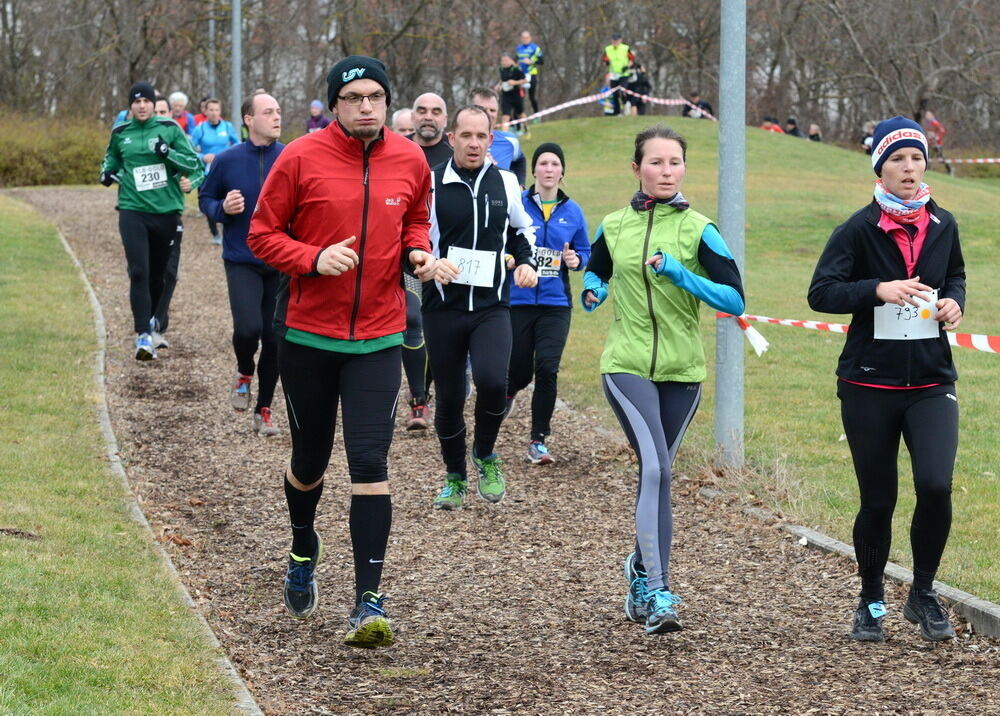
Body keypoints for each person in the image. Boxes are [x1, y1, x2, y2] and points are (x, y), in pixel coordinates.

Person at [247, 56, 439, 647]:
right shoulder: (300, 157)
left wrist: (419, 256)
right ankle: (304, 544)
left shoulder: (410, 160)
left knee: (370, 463)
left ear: (387, 103)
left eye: (375, 97)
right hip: (307, 335)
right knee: (310, 460)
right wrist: (312, 258)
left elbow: (415, 221)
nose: (364, 106)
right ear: (333, 104)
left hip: (379, 336)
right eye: (352, 97)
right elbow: (261, 234)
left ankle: (368, 601)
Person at [581, 124, 745, 634]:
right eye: (656, 162)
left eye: (675, 162)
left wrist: (680, 274)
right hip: (626, 365)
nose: (666, 171)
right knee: (654, 469)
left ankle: (638, 568)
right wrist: (592, 290)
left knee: (661, 476)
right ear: (637, 169)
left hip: (683, 372)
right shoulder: (613, 225)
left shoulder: (700, 229)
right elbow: (596, 268)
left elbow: (735, 300)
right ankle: (657, 590)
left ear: (684, 169)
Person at [807, 116, 965, 644]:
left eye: (916, 158)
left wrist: (953, 303)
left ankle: (922, 593)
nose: (909, 167)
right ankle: (871, 597)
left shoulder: (944, 224)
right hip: (868, 383)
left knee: (937, 485)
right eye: (897, 159)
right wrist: (878, 289)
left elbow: (957, 276)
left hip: (930, 380)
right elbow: (822, 293)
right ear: (880, 167)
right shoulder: (856, 229)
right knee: (879, 499)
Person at [423, 104, 537, 511]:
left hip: (491, 307)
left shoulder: (505, 183)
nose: (473, 143)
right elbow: (416, 241)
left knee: (493, 383)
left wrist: (525, 262)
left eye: (481, 136)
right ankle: (454, 476)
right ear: (451, 138)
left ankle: (485, 454)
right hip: (443, 308)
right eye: (465, 135)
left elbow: (521, 229)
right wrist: (427, 263)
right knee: (451, 398)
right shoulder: (432, 183)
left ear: (492, 140)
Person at [199, 92, 285, 436]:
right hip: (242, 259)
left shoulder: (291, 156)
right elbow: (206, 197)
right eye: (268, 112)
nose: (277, 117)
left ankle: (264, 407)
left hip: (281, 261)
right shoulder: (227, 160)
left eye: (278, 111)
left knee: (276, 338)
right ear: (249, 119)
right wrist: (223, 210)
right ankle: (244, 371)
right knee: (249, 329)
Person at [99, 81, 204, 360]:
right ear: (130, 106)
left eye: (146, 101)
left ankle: (156, 324)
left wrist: (166, 153)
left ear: (152, 103)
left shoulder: (170, 129)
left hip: (166, 211)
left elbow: (193, 163)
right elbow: (111, 157)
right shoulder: (121, 131)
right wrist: (107, 173)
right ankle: (143, 333)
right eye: (136, 102)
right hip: (132, 210)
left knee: (158, 276)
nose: (142, 106)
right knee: (138, 272)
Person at [505, 143, 589, 465]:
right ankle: (510, 390)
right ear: (535, 170)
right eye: (543, 163)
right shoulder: (519, 205)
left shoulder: (573, 211)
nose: (549, 169)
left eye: (555, 163)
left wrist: (575, 258)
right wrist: (512, 259)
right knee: (521, 369)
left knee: (548, 368)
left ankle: (538, 440)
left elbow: (585, 252)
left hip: (556, 303)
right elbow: (503, 240)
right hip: (519, 300)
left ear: (562, 172)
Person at [401, 92, 453, 429]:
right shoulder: (398, 150)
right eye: (421, 110)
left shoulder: (455, 156)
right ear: (412, 116)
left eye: (436, 111)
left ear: (445, 120)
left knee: (437, 329)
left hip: (446, 255)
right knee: (411, 319)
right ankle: (418, 400)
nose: (428, 117)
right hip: (406, 252)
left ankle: (429, 390)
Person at [190, 99, 240, 245]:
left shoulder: (227, 126)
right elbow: (189, 150)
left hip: (225, 170)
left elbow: (237, 143)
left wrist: (227, 153)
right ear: (206, 112)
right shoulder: (200, 129)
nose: (214, 113)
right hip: (207, 173)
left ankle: (227, 232)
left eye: (216, 110)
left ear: (220, 111)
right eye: (211, 110)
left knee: (228, 200)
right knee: (208, 202)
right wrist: (202, 157)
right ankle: (215, 234)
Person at [469, 87, 526, 185]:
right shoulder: (455, 143)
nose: (488, 114)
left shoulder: (510, 141)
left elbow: (520, 160)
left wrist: (520, 185)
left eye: (492, 110)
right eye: (481, 109)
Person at [602, 33, 635, 116]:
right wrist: (606, 62)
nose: (615, 42)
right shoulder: (608, 49)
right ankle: (617, 112)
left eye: (617, 40)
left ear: (620, 40)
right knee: (615, 94)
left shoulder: (625, 48)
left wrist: (627, 67)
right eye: (614, 40)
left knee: (622, 91)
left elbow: (632, 59)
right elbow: (604, 60)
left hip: (624, 74)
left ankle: (626, 104)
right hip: (613, 74)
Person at [496, 53, 528, 133]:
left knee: (520, 114)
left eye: (506, 60)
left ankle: (526, 128)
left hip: (516, 95)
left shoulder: (516, 69)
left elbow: (525, 80)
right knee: (505, 116)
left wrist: (515, 82)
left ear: (511, 61)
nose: (504, 62)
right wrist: (498, 85)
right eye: (502, 60)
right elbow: (502, 80)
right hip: (506, 96)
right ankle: (505, 135)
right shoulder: (501, 69)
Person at [515, 30, 544, 115]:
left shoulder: (535, 48)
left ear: (530, 38)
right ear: (521, 39)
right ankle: (520, 118)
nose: (525, 39)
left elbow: (542, 61)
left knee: (532, 97)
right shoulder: (518, 48)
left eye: (527, 38)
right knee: (520, 97)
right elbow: (516, 59)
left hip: (532, 74)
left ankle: (536, 115)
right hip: (521, 75)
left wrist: (531, 62)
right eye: (523, 38)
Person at [921, 110, 953, 176]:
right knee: (927, 156)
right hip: (930, 144)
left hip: (937, 144)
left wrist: (937, 137)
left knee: (940, 158)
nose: (927, 117)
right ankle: (926, 170)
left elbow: (942, 131)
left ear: (932, 116)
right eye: (926, 115)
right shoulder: (929, 124)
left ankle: (950, 170)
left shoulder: (935, 123)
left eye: (928, 115)